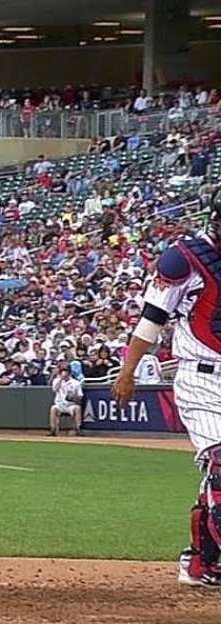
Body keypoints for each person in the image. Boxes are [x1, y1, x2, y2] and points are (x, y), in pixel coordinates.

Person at [114, 188, 221, 588]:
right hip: (202, 378)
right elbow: (152, 319)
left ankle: (201, 563)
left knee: (217, 477)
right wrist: (128, 371)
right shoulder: (185, 258)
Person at [48, 365, 83, 437]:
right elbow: (55, 389)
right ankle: (53, 430)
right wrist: (60, 380)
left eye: (66, 372)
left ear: (69, 373)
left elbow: (80, 396)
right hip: (60, 404)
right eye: (62, 372)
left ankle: (78, 429)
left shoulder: (76, 383)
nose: (64, 374)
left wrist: (73, 398)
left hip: (71, 405)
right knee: (53, 408)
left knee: (77, 408)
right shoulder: (57, 380)